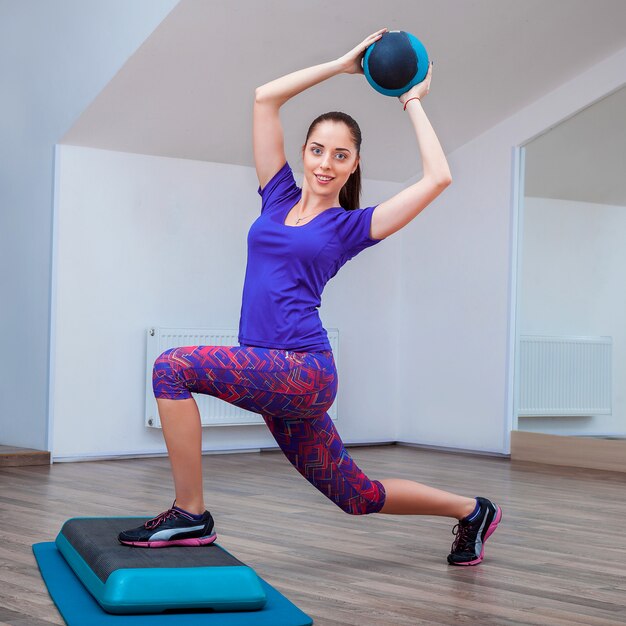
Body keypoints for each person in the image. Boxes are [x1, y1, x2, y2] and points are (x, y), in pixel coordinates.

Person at [119, 29, 501, 566]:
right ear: (304, 152)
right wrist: (343, 66)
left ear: (352, 166)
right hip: (273, 372)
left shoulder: (350, 227)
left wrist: (411, 100)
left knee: (171, 367)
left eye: (340, 156)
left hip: (302, 370)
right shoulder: (275, 195)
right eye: (318, 150)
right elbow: (264, 97)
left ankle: (191, 512)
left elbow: (439, 176)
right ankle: (473, 510)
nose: (325, 163)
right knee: (356, 496)